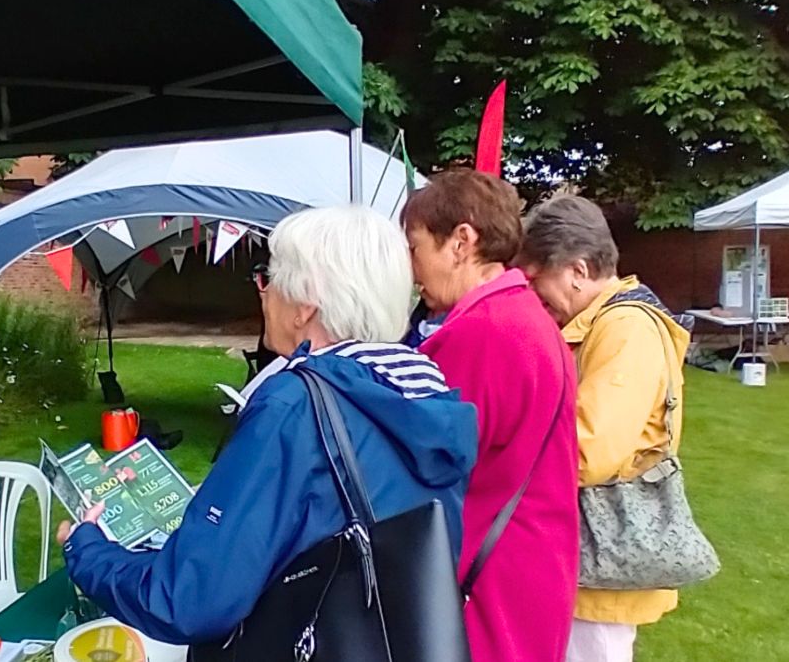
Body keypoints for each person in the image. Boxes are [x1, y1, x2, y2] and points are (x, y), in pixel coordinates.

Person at [57, 205, 479, 645]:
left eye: (268, 277)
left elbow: (190, 599)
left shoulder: (295, 404)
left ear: (305, 306)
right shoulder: (426, 394)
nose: (262, 293)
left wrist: (87, 550)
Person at [401, 170, 580, 662]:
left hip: (491, 575)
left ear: (462, 241)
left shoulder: (483, 331)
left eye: (415, 247)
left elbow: (430, 465)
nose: (412, 269)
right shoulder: (522, 316)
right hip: (529, 561)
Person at [516, 195, 692, 662]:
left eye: (539, 280)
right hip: (590, 557)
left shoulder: (625, 329)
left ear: (576, 270)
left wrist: (505, 453)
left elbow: (589, 450)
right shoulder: (605, 322)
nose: (534, 296)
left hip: (601, 558)